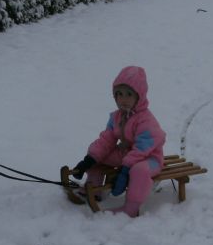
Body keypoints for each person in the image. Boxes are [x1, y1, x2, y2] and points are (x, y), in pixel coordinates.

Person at [71, 66, 166, 217]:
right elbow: (106, 140)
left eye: (129, 94)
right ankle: (94, 187)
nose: (123, 99)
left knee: (138, 170)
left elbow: (143, 147)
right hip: (127, 155)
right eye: (119, 94)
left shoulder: (146, 119)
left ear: (139, 96)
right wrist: (89, 159)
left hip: (149, 158)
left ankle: (132, 207)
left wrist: (125, 170)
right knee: (99, 153)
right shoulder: (116, 117)